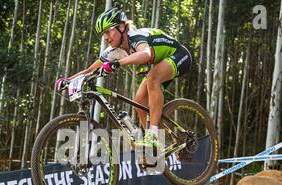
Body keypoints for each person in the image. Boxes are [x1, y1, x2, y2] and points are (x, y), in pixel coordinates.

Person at [56, 7, 192, 149]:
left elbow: (146, 53)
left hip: (180, 55)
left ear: (121, 27)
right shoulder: (114, 50)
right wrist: (68, 80)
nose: (106, 37)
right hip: (161, 63)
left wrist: (118, 63)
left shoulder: (135, 37)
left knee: (153, 78)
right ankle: (151, 143)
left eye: (108, 31)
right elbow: (90, 70)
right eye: (103, 34)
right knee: (139, 100)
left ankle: (154, 135)